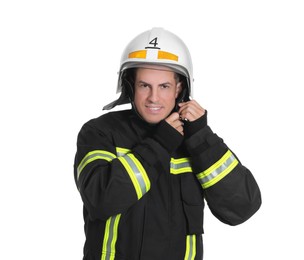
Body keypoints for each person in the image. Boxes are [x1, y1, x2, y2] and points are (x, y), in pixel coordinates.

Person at [74, 27, 261, 260]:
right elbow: (100, 200)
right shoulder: (101, 133)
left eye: (164, 86)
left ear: (179, 88)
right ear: (130, 86)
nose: (154, 97)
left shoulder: (197, 141)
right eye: (144, 85)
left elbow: (241, 208)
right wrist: (160, 144)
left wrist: (201, 138)